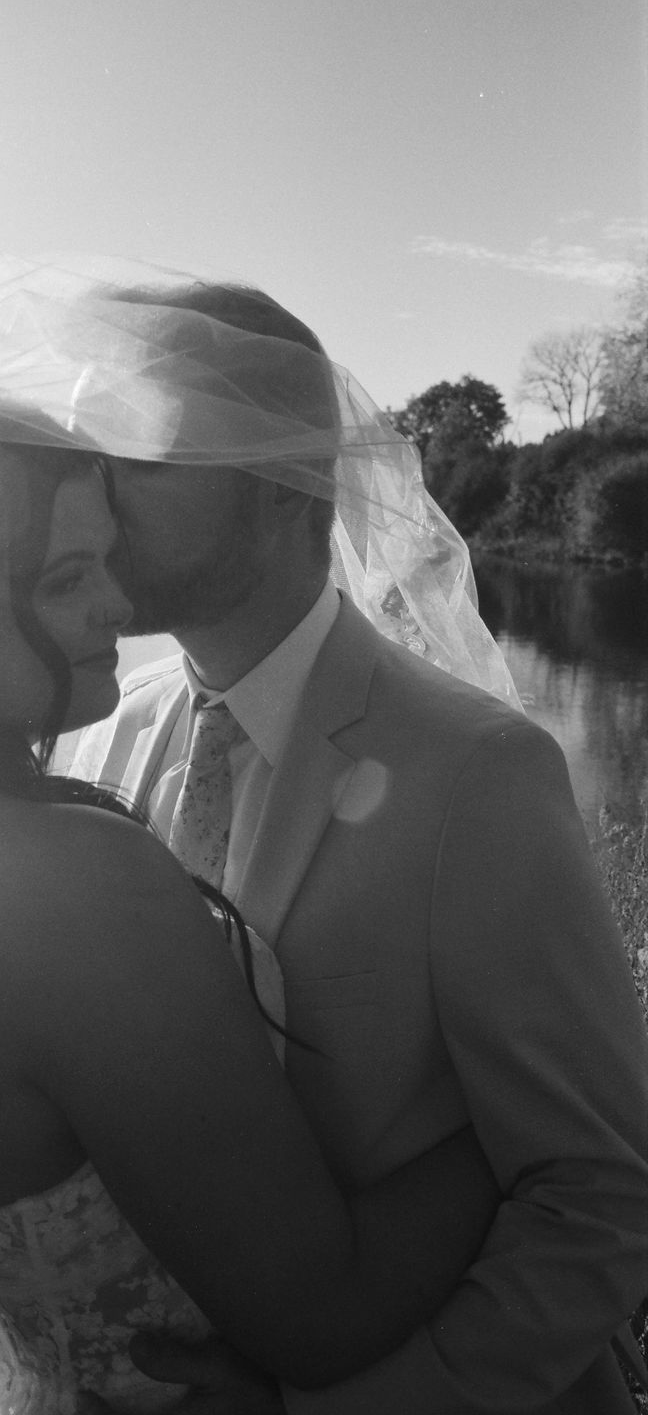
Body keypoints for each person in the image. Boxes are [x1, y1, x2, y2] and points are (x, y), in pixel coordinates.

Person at [0, 366, 501, 1415]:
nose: (120, 604)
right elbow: (326, 1312)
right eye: (66, 576)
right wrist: (502, 1130)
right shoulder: (64, 886)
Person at [66, 277, 648, 1413]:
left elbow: (601, 1190)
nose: (89, 500)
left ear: (286, 485)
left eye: (137, 453)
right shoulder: (110, 739)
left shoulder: (476, 776)